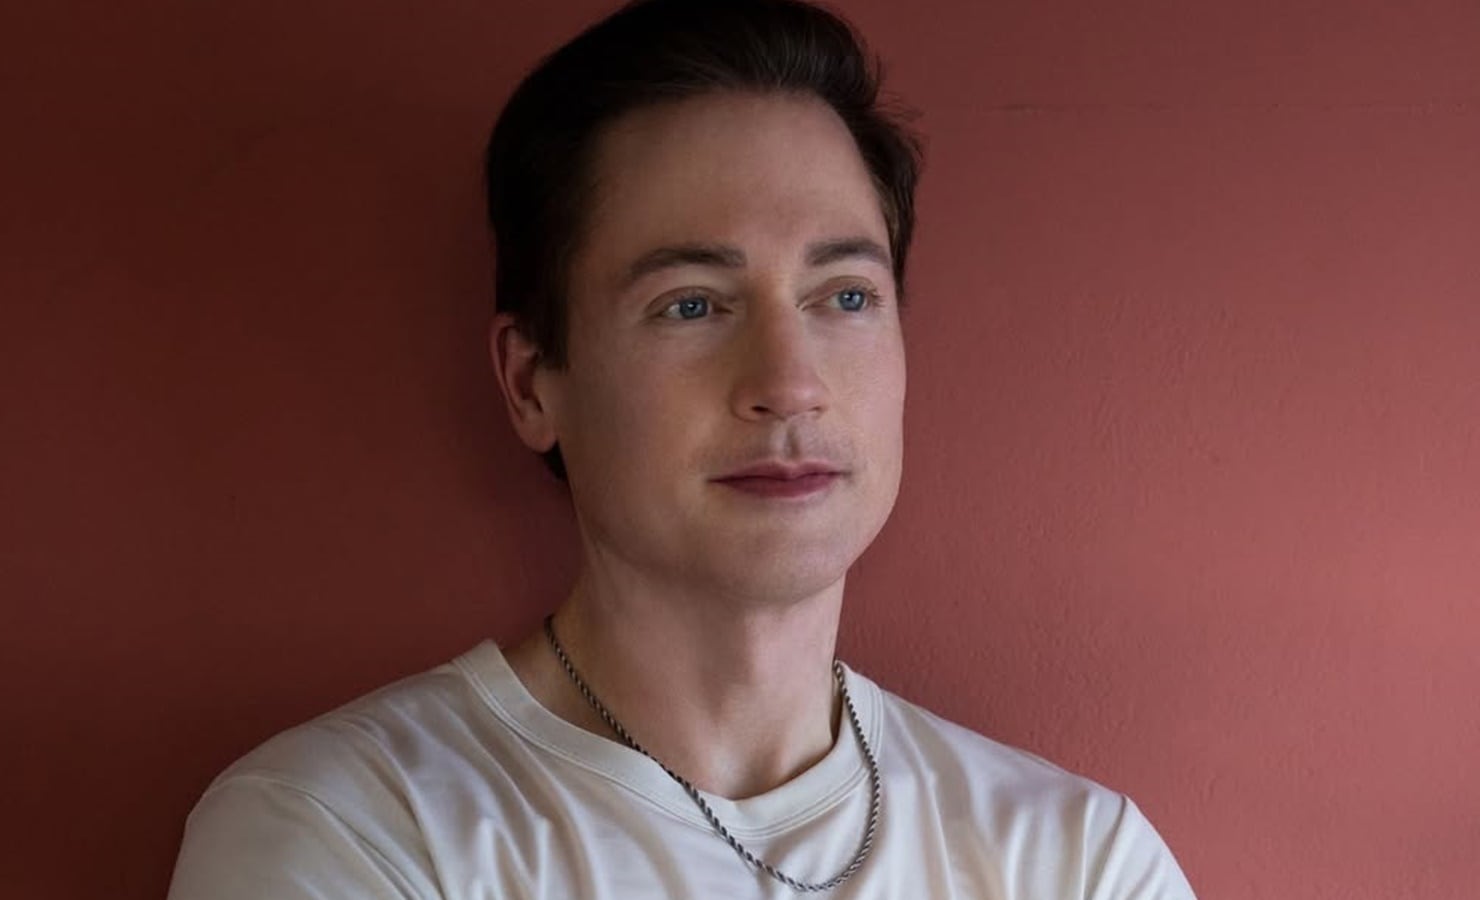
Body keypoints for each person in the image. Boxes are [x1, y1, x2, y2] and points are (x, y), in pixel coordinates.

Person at [166, 0, 1199, 896]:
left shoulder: (1075, 859)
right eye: (692, 304)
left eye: (844, 296)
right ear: (532, 384)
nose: (789, 382)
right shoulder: (348, 828)